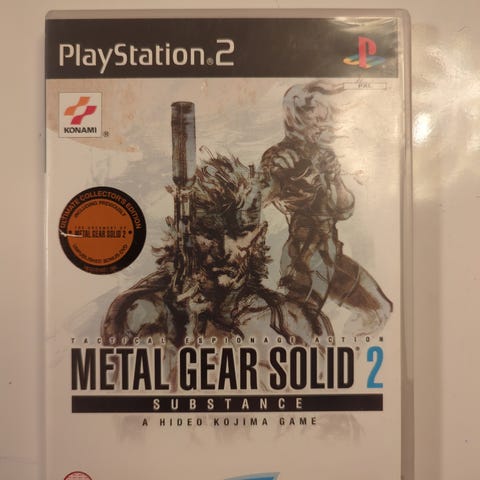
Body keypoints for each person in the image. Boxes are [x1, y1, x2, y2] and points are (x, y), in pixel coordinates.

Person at [260, 81, 392, 337]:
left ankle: (352, 357)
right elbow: (263, 198)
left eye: (324, 118)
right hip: (305, 257)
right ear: (296, 118)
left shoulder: (325, 155)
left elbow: (345, 209)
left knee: (378, 310)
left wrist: (335, 178)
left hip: (331, 253)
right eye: (316, 119)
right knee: (299, 329)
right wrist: (282, 176)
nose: (322, 125)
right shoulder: (278, 156)